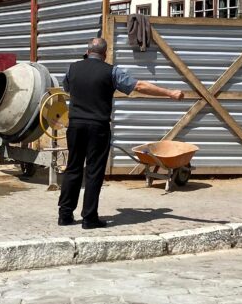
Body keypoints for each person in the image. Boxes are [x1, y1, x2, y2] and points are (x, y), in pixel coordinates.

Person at [59, 37, 184, 229]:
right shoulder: (111, 71)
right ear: (105, 54)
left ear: (87, 51)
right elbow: (139, 86)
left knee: (73, 168)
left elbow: (67, 88)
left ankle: (65, 215)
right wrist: (170, 93)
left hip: (75, 125)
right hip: (98, 127)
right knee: (93, 172)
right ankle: (89, 218)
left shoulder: (72, 68)